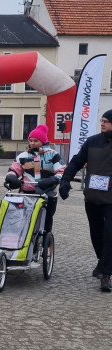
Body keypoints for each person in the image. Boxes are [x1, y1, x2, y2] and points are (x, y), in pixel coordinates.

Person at [60, 109, 112, 292]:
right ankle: (103, 261)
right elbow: (76, 161)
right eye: (102, 120)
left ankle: (106, 274)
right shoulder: (92, 142)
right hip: (93, 196)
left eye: (106, 121)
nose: (102, 123)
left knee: (109, 235)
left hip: (111, 199)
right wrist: (65, 180)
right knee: (96, 234)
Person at [5, 124, 64, 232]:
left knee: (45, 220)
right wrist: (11, 177)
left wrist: (54, 179)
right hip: (27, 193)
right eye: (30, 140)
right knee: (22, 219)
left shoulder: (53, 155)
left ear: (43, 141)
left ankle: (45, 237)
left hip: (47, 193)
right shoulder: (23, 156)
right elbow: (14, 169)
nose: (32, 143)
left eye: (35, 141)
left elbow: (61, 170)